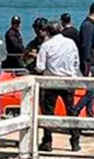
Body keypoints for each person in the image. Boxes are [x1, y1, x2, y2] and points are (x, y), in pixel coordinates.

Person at [35, 24, 82, 152]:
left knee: (48, 112)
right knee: (71, 111)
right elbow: (76, 61)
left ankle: (48, 141)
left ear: (48, 32)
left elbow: (40, 67)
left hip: (51, 82)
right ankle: (75, 141)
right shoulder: (70, 43)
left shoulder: (46, 46)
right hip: (68, 81)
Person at [69, 2, 94, 117]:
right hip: (90, 63)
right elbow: (85, 46)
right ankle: (76, 109)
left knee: (91, 92)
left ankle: (89, 116)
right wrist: (86, 66)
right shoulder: (88, 26)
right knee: (92, 92)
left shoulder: (92, 25)